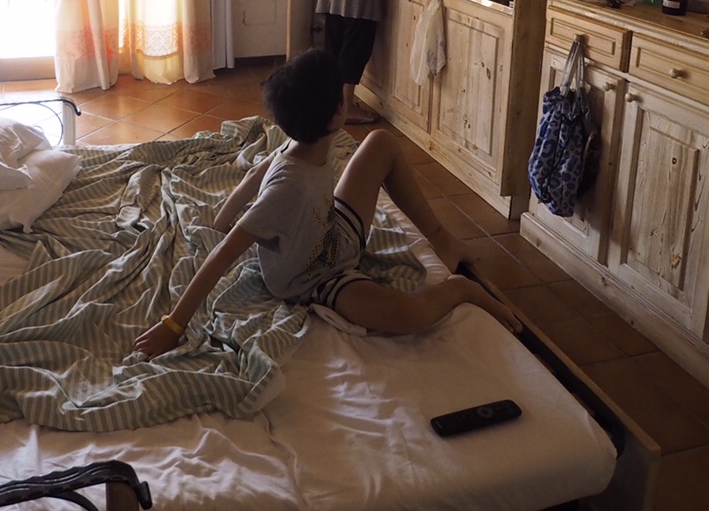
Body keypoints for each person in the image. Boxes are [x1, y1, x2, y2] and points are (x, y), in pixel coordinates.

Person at [133, 48, 521, 359]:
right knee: (409, 315)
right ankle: (461, 290)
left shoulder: (302, 141)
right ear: (337, 112)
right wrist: (173, 326)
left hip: (333, 229)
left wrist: (219, 218)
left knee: (381, 142)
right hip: (317, 276)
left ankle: (443, 240)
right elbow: (224, 253)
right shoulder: (287, 188)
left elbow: (253, 175)